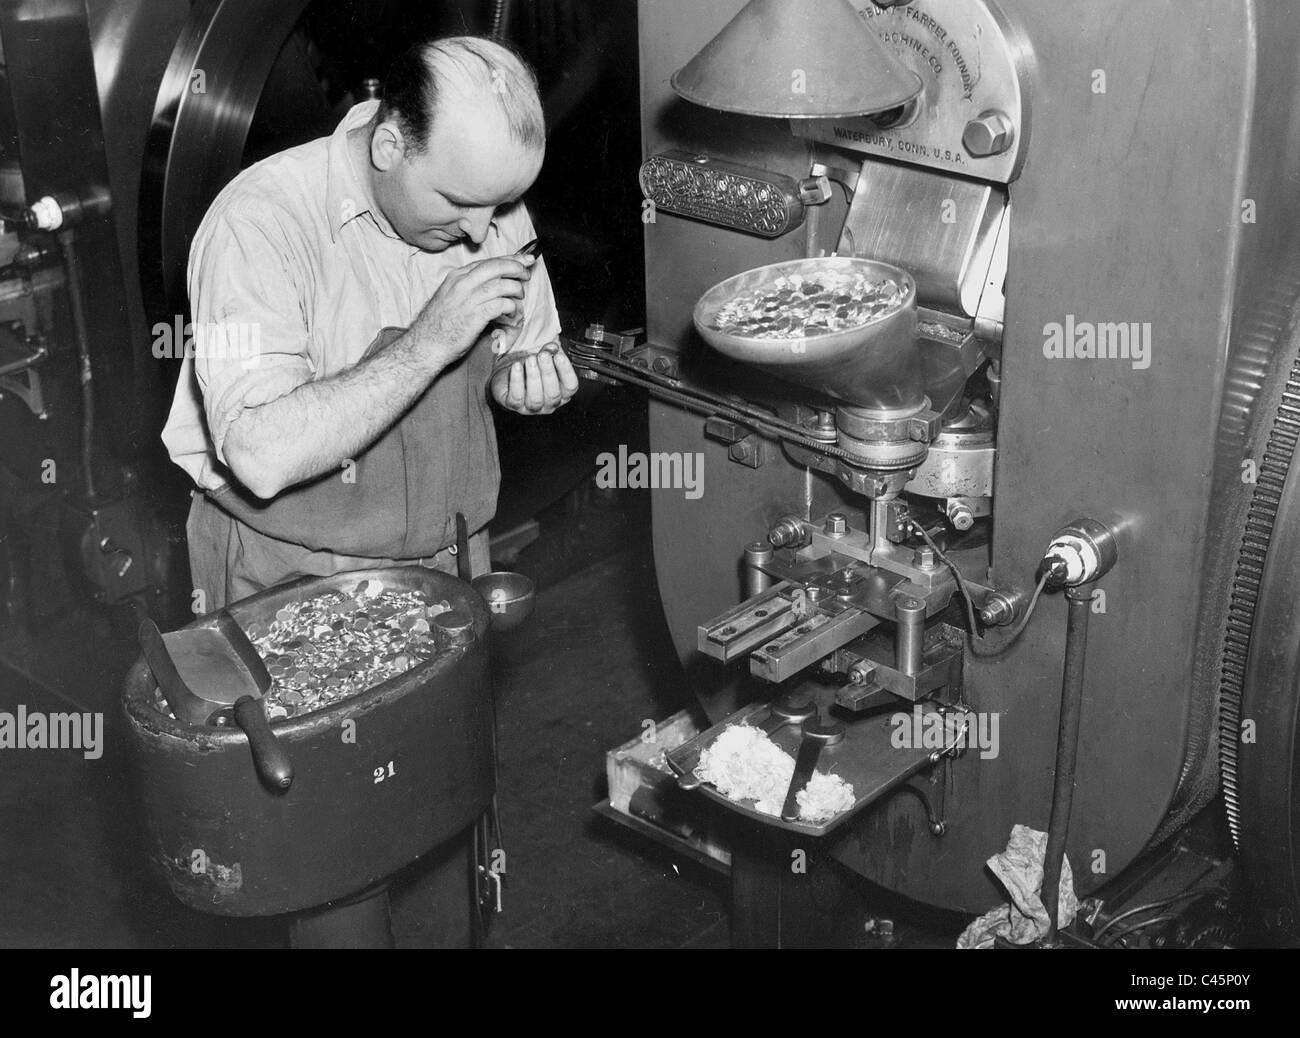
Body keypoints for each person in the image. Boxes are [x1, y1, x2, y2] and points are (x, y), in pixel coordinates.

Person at [162, 35, 578, 609]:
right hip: (291, 566)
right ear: (389, 146)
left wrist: (518, 382)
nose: (482, 233)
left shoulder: (488, 200)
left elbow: (520, 348)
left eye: (502, 205)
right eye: (458, 202)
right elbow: (261, 458)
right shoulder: (260, 223)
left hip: (454, 553)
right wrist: (428, 342)